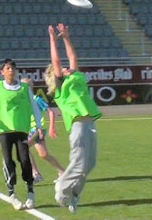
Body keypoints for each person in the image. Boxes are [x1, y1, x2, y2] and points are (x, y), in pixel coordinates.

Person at [45, 23, 102, 214]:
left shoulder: (76, 77)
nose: (66, 68)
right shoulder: (62, 87)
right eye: (60, 70)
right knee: (78, 163)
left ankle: (74, 194)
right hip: (77, 124)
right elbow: (57, 61)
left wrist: (66, 37)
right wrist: (53, 39)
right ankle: (62, 190)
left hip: (89, 122)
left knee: (90, 164)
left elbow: (72, 57)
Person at [0, 59, 42, 211]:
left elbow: (34, 106)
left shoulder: (24, 88)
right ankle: (12, 194)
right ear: (2, 72)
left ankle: (30, 192)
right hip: (4, 130)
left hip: (21, 129)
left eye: (13, 68)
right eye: (8, 68)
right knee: (8, 160)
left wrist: (39, 126)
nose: (11, 71)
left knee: (24, 159)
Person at [20, 77, 63, 185]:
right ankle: (62, 172)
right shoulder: (23, 101)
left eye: (25, 87)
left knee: (23, 147)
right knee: (43, 154)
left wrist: (51, 127)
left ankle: (36, 174)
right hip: (29, 129)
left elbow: (51, 112)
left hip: (37, 129)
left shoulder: (36, 99)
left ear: (30, 87)